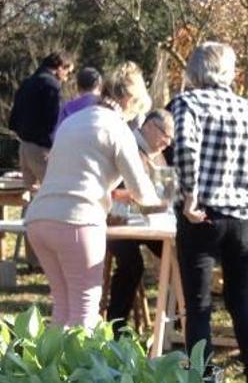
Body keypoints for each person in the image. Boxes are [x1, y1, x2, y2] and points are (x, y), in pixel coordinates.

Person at [24, 62, 160, 329]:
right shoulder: (117, 128)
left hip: (39, 219)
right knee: (85, 310)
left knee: (62, 307)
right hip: (78, 222)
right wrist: (162, 203)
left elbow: (71, 171)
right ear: (129, 99)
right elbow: (141, 191)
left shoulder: (72, 121)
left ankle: (47, 369)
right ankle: (80, 370)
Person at [171, 42, 248, 383]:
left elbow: (184, 148)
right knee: (239, 296)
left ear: (194, 71)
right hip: (243, 217)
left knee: (199, 306)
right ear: (229, 72)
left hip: (203, 214)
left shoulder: (187, 103)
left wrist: (190, 194)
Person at [106, 109, 175, 337]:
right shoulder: (128, 145)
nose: (168, 141)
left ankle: (176, 322)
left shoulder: (157, 154)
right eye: (165, 134)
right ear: (149, 126)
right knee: (132, 264)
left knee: (176, 255)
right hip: (117, 221)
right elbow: (113, 190)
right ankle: (116, 328)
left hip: (151, 222)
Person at [9, 52, 74, 191]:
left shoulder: (27, 82)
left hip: (24, 147)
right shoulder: (52, 86)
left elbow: (13, 118)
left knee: (31, 196)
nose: (67, 78)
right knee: (55, 192)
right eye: (68, 72)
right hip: (41, 149)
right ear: (60, 68)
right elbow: (54, 120)